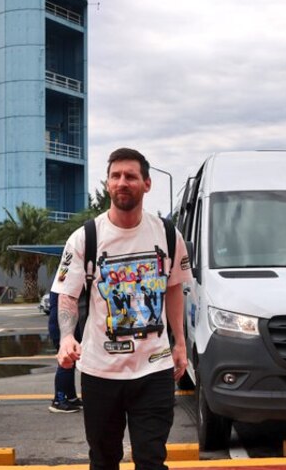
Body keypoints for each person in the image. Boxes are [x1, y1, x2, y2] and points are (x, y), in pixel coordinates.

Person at [52, 147, 191, 470]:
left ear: (147, 184)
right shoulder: (85, 237)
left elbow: (174, 288)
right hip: (100, 371)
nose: (122, 182)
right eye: (115, 176)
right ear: (107, 184)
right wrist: (66, 337)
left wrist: (180, 342)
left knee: (151, 460)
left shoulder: (168, 235)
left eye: (130, 176)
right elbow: (68, 296)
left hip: (154, 369)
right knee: (103, 460)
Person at [47, 289, 83, 413]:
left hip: (69, 328)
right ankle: (58, 400)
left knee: (70, 364)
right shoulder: (64, 280)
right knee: (65, 364)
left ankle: (71, 398)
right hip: (63, 330)